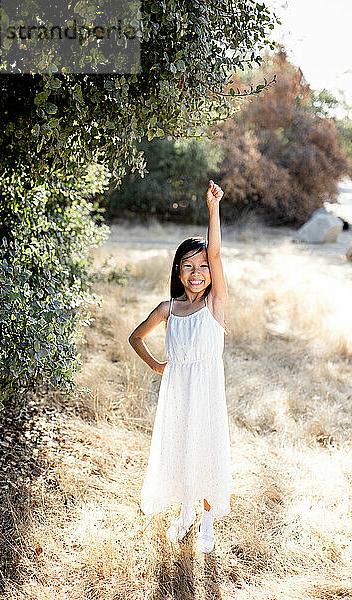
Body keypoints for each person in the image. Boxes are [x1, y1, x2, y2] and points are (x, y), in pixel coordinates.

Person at [128, 180, 233, 553]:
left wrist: (212, 208)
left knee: (204, 449)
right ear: (177, 271)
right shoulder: (168, 309)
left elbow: (217, 253)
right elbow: (135, 338)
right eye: (187, 267)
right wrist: (157, 365)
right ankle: (185, 512)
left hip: (206, 391)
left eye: (202, 267)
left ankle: (206, 521)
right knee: (182, 449)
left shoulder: (214, 306)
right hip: (178, 392)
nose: (196, 273)